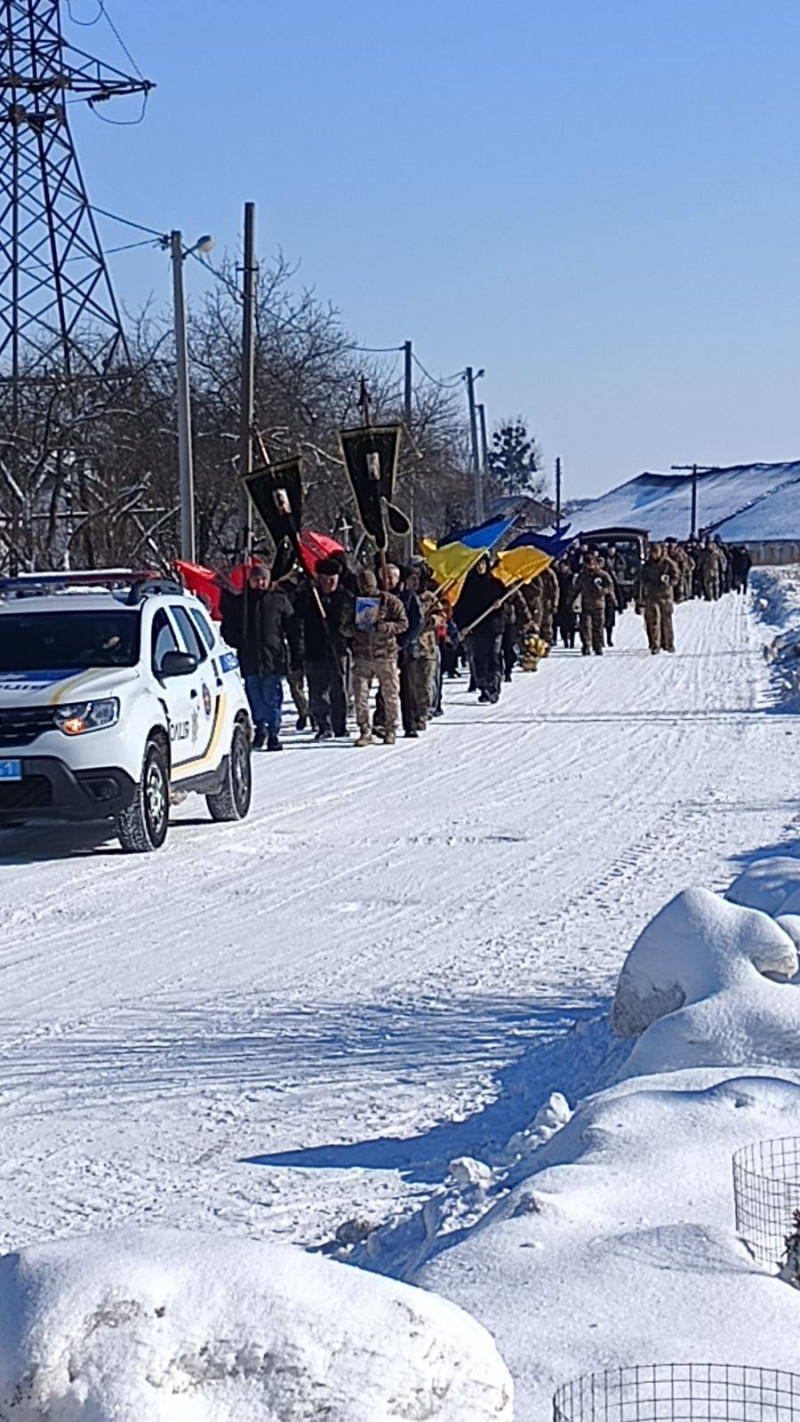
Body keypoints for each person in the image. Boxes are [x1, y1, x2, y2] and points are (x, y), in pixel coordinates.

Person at [221, 561, 299, 751]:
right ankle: (260, 728)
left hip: (273, 658)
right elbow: (228, 628)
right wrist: (238, 640)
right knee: (254, 696)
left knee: (271, 696)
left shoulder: (279, 601)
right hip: (250, 659)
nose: (260, 583)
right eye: (256, 580)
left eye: (263, 579)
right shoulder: (242, 603)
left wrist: (296, 651)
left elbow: (293, 628)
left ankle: (274, 732)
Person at [346, 567, 408, 747]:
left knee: (390, 695)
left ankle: (390, 729)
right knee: (361, 695)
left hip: (386, 655)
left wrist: (386, 627)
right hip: (363, 655)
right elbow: (343, 627)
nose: (367, 588)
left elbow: (404, 623)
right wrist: (355, 628)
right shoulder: (353, 603)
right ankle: (365, 729)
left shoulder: (390, 601)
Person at [295, 558, 353, 741]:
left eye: (332, 580)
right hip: (316, 649)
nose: (328, 584)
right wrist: (306, 589)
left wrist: (340, 631)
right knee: (318, 691)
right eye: (324, 580)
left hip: (338, 650)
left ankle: (340, 725)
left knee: (340, 689)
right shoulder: (310, 596)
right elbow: (298, 615)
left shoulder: (346, 598)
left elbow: (351, 622)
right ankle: (323, 724)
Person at [453, 555, 507, 703]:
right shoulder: (469, 585)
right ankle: (483, 688)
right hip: (476, 628)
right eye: (477, 565)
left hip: (494, 627)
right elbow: (461, 607)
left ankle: (494, 687)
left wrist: (500, 605)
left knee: (493, 656)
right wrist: (463, 625)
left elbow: (507, 605)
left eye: (482, 564)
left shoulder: (496, 584)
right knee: (479, 659)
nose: (480, 567)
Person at [636, 542, 681, 654]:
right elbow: (641, 580)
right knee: (653, 621)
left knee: (666, 621)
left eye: (656, 552)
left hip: (665, 596)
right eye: (652, 552)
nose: (654, 554)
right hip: (651, 597)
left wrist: (669, 580)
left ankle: (668, 643)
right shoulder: (647, 565)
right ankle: (655, 644)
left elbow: (676, 577)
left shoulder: (668, 563)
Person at [571, 552, 615, 656]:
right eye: (587, 564)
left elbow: (610, 587)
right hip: (586, 605)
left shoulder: (602, 575)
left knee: (598, 627)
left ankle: (598, 646)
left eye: (591, 564)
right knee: (585, 626)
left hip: (599, 605)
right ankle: (586, 645)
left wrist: (603, 591)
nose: (590, 566)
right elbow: (575, 589)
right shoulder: (583, 576)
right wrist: (570, 602)